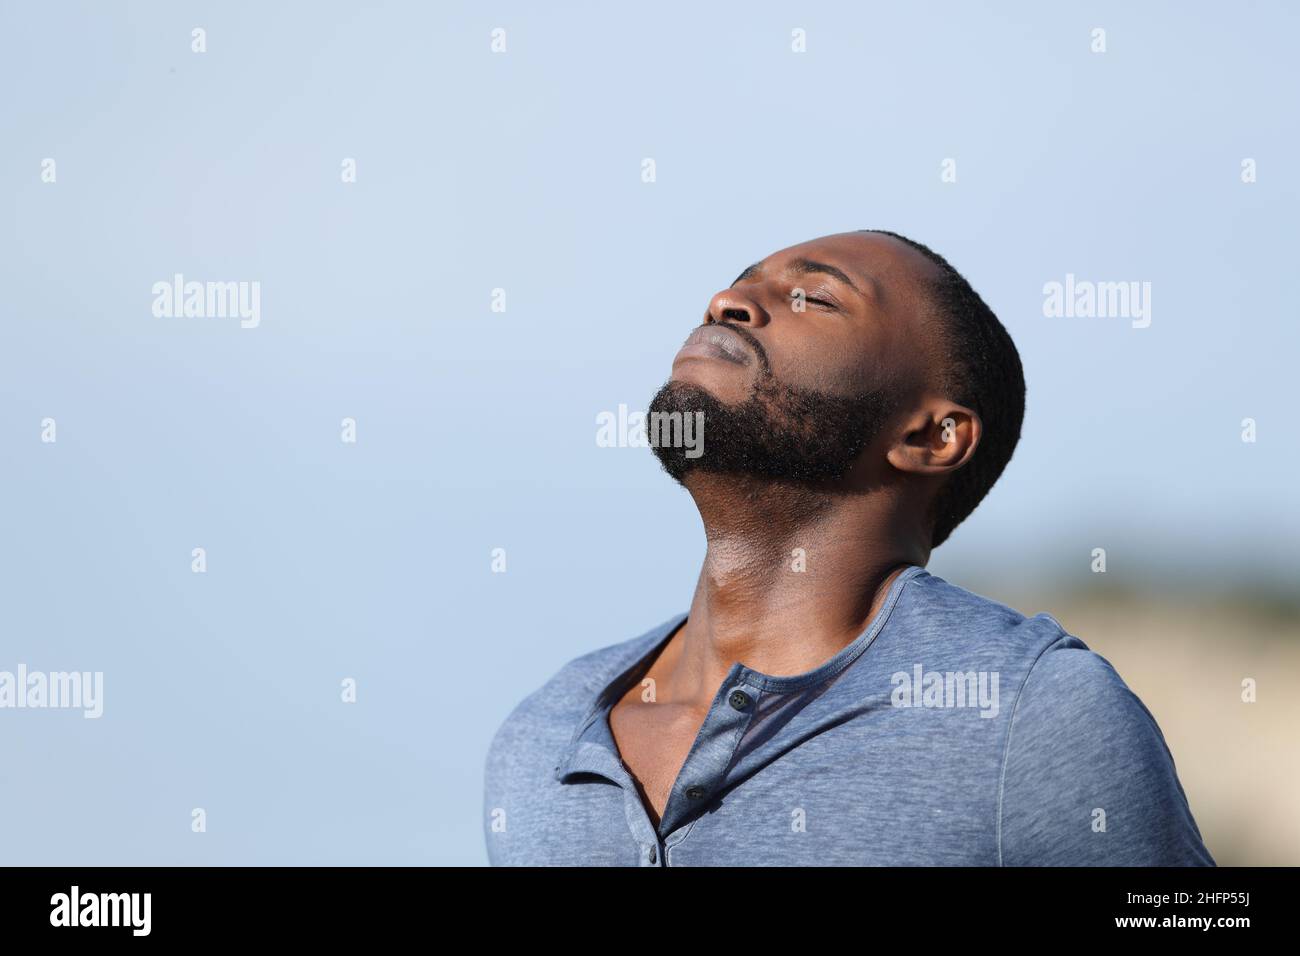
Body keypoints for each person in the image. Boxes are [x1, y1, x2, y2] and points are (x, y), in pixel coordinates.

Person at [483, 230, 1215, 866]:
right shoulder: (543, 739)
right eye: (737, 285)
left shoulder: (1035, 715)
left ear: (930, 437)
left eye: (814, 299)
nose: (725, 304)